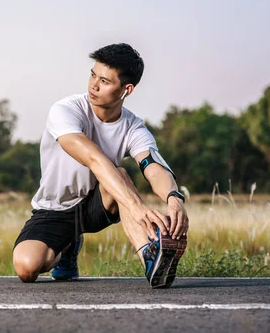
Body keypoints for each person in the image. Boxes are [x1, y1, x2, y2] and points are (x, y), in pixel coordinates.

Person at [12, 43, 189, 288]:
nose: (93, 85)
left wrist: (173, 197)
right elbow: (94, 159)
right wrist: (137, 207)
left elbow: (152, 165)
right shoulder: (66, 110)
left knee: (120, 173)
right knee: (26, 268)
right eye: (93, 75)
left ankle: (150, 255)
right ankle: (67, 249)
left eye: (105, 81)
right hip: (55, 208)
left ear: (126, 90)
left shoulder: (133, 127)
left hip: (98, 203)